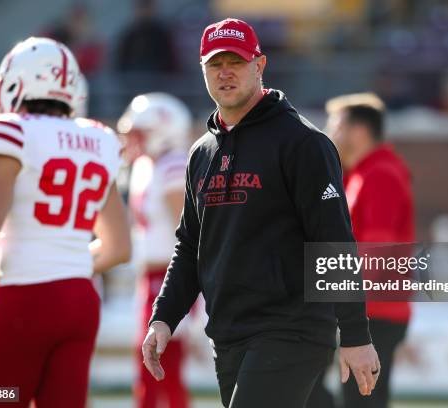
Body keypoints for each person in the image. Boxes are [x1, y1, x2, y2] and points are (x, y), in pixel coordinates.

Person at [141, 18, 379, 408]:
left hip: (292, 329)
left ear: (260, 65)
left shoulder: (303, 143)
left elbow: (333, 242)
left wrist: (355, 335)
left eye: (236, 61)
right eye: (215, 64)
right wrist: (163, 318)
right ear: (202, 70)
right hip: (228, 333)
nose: (226, 72)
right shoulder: (201, 153)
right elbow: (190, 245)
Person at [0, 37, 131, 407]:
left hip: (24, 298)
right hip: (80, 301)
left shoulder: (9, 130)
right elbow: (119, 248)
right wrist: (66, 265)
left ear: (14, 83)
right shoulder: (101, 139)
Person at [323, 93, 414, 408]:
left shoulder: (380, 175)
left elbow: (375, 252)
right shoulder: (363, 174)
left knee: (361, 401)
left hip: (374, 311)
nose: (330, 134)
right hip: (367, 308)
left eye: (336, 126)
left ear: (358, 132)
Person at [118, 93, 193, 408]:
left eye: (141, 132)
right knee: (150, 369)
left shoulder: (173, 163)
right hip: (150, 274)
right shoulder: (146, 166)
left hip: (167, 276)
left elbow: (187, 231)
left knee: (162, 369)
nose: (133, 140)